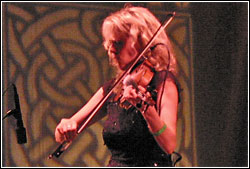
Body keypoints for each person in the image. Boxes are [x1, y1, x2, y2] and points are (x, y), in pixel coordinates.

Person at [54, 4, 181, 167]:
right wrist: (64, 127)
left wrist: (145, 107)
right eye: (109, 43)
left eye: (118, 43)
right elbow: (63, 132)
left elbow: (169, 145)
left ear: (142, 43)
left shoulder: (162, 81)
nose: (111, 50)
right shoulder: (113, 88)